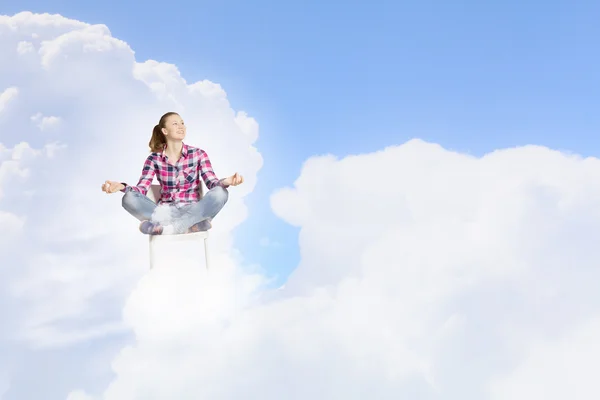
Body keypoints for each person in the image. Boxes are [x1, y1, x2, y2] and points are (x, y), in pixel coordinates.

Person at [101, 111, 243, 235]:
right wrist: (122, 186)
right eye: (175, 124)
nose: (181, 126)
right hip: (165, 213)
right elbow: (142, 188)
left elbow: (212, 183)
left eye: (182, 123)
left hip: (193, 209)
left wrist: (226, 182)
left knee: (221, 192)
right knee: (128, 198)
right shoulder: (154, 159)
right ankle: (191, 226)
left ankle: (169, 229)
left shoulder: (199, 154)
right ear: (164, 131)